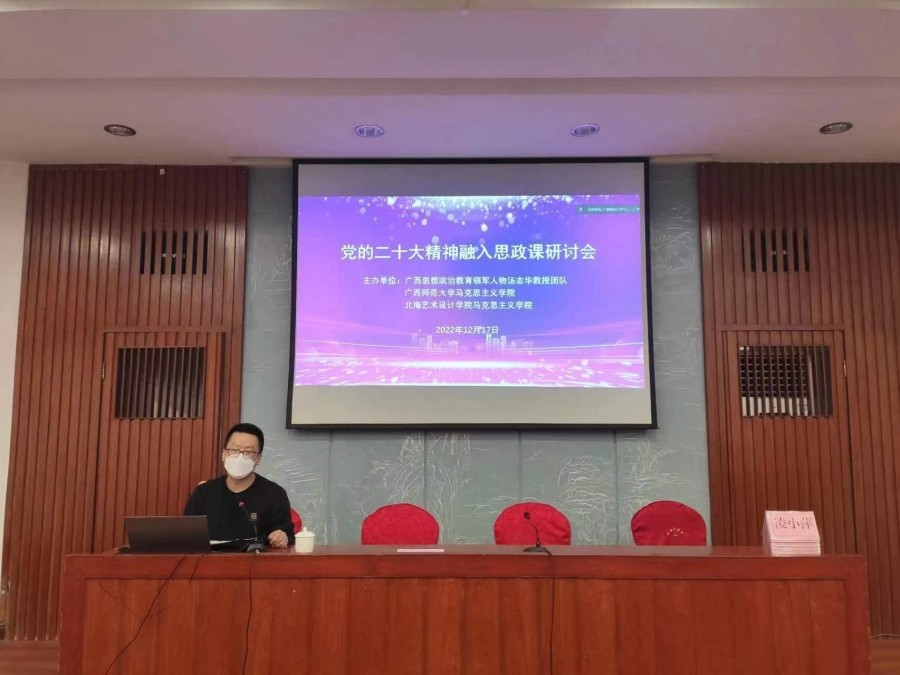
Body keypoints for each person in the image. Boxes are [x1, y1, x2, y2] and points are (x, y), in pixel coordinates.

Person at [184, 422, 294, 549]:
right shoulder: (203, 493)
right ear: (224, 454)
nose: (240, 457)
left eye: (248, 451)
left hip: (257, 560)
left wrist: (282, 537)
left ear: (258, 459)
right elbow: (186, 536)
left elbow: (288, 538)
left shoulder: (275, 494)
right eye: (234, 450)